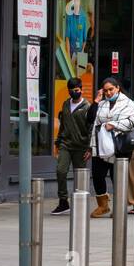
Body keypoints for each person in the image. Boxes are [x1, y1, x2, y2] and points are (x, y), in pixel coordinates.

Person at [89, 76, 134, 218]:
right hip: (101, 146)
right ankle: (103, 205)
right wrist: (96, 100)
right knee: (97, 175)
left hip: (119, 147)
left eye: (111, 89)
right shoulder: (102, 104)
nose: (109, 93)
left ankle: (119, 206)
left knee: (117, 177)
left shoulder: (128, 103)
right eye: (106, 91)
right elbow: (91, 121)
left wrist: (115, 125)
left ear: (117, 88)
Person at [51, 82, 94, 214]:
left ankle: (80, 204)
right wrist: (57, 142)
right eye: (71, 90)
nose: (74, 92)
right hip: (65, 144)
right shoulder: (65, 104)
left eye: (76, 90)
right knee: (61, 170)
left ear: (81, 89)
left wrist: (90, 148)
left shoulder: (87, 107)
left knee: (80, 175)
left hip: (81, 146)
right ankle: (63, 201)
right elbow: (62, 124)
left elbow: (91, 128)